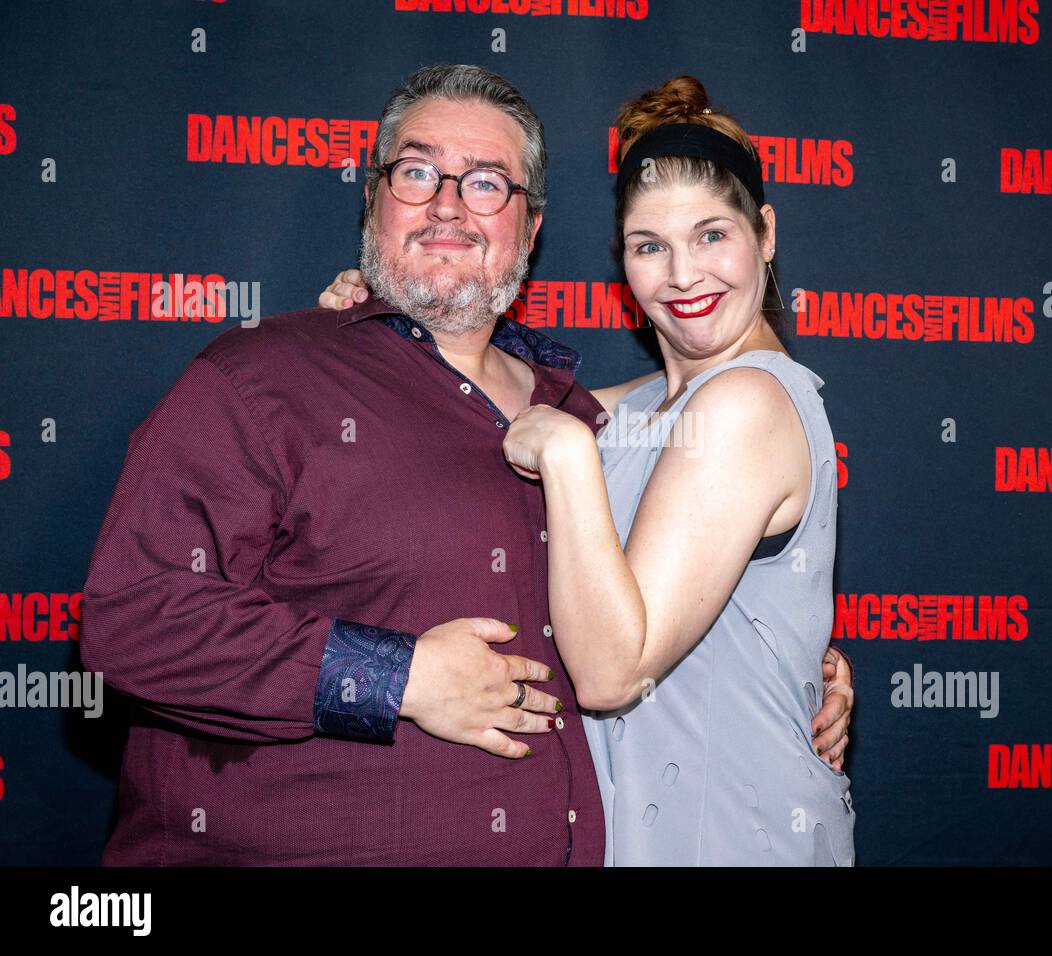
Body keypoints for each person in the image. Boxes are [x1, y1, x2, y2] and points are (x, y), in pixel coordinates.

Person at [81, 63, 850, 866]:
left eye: (486, 183)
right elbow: (132, 618)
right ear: (373, 198)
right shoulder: (263, 378)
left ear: (531, 225)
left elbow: (688, 586)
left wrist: (795, 657)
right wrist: (395, 678)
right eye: (417, 173)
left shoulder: (574, 415)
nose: (447, 204)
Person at [318, 74, 856, 865]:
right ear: (623, 260)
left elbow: (608, 675)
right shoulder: (633, 407)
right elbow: (479, 392)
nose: (683, 275)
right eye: (650, 245)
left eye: (712, 235)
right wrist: (391, 313)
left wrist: (568, 455)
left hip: (734, 834)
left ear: (765, 234)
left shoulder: (749, 402)